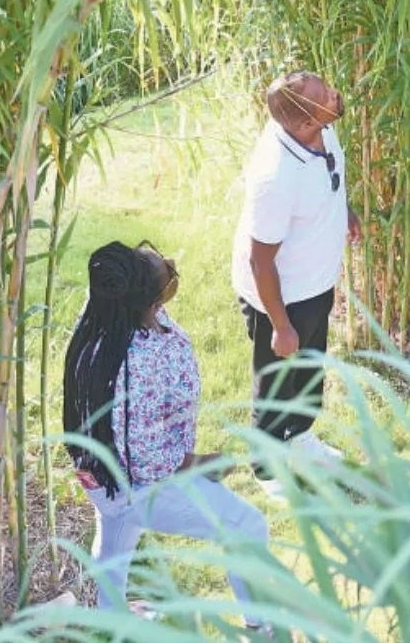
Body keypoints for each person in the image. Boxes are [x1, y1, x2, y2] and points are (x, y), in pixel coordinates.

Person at [63, 240, 269, 631]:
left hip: (100, 475)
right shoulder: (144, 359)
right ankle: (260, 628)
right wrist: (200, 463)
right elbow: (151, 460)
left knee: (116, 536)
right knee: (247, 527)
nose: (171, 263)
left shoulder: (102, 320)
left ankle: (111, 617)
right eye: (167, 277)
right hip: (141, 485)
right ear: (146, 301)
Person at [231, 70, 362, 498]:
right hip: (279, 295)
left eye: (328, 86)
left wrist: (345, 211)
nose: (335, 93)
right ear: (304, 121)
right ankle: (267, 468)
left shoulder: (321, 126)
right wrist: (281, 325)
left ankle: (301, 437)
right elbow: (260, 260)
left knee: (308, 368)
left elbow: (328, 175)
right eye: (326, 94)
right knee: (275, 379)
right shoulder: (275, 176)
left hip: (316, 282)